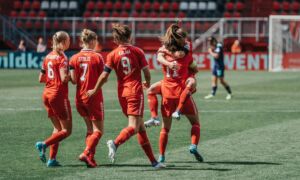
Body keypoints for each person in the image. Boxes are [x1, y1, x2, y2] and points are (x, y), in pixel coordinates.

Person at [86, 23, 165, 169]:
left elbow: (104, 75)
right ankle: (115, 143)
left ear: (115, 40)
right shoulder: (137, 51)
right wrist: (147, 82)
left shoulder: (112, 54)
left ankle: (154, 162)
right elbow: (146, 72)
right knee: (134, 127)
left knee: (141, 128)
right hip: (134, 91)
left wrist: (95, 89)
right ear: (130, 36)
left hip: (122, 94)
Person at [155, 24, 203, 163]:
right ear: (181, 39)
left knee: (165, 129)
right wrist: (192, 71)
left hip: (167, 95)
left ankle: (162, 156)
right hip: (182, 93)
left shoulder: (164, 51)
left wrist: (166, 59)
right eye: (185, 37)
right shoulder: (186, 50)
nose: (187, 40)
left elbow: (159, 57)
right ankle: (193, 145)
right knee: (195, 123)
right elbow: (189, 62)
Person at [144, 32, 198, 127]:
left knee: (190, 83)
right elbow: (159, 57)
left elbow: (179, 54)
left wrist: (164, 51)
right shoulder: (170, 46)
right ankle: (154, 117)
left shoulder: (186, 44)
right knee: (151, 90)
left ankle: (178, 110)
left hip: (184, 77)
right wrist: (164, 55)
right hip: (169, 81)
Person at [35, 31, 72, 167]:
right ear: (63, 42)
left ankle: (51, 159)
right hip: (58, 96)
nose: (70, 42)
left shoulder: (48, 56)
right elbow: (63, 79)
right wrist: (73, 74)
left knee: (57, 129)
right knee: (66, 131)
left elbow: (41, 79)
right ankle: (43, 144)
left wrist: (52, 78)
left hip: (47, 95)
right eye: (68, 40)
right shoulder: (62, 57)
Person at [69, 29, 104, 168]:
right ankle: (86, 152)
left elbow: (73, 80)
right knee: (98, 131)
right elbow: (104, 77)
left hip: (80, 98)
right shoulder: (98, 57)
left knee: (90, 129)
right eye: (96, 40)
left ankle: (91, 159)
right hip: (93, 97)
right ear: (92, 41)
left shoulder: (74, 58)